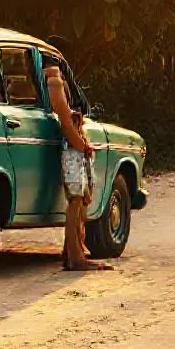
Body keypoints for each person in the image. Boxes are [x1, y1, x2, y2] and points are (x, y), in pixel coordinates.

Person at [44, 63, 112, 271]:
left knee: (79, 199)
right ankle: (75, 256)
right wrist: (83, 146)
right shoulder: (54, 80)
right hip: (73, 148)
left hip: (75, 146)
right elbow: (65, 121)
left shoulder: (53, 79)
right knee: (75, 200)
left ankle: (73, 252)